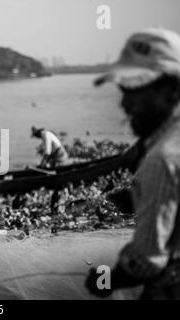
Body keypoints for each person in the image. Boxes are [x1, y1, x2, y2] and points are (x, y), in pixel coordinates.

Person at [85, 27, 180, 299]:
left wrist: (107, 280)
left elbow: (148, 260)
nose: (124, 103)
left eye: (135, 89)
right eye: (123, 89)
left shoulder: (161, 159)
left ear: (171, 88)